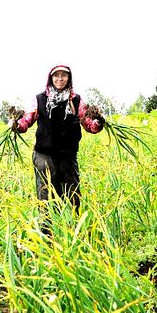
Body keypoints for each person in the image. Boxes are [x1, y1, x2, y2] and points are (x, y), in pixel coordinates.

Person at [11, 64, 105, 212]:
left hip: (67, 155)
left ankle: (71, 228)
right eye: (56, 75)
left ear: (69, 78)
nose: (60, 79)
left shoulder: (77, 101)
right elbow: (27, 120)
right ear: (51, 78)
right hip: (44, 155)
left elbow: (88, 124)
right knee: (46, 197)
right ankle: (47, 232)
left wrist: (98, 123)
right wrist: (17, 124)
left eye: (64, 75)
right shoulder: (40, 99)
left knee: (72, 195)